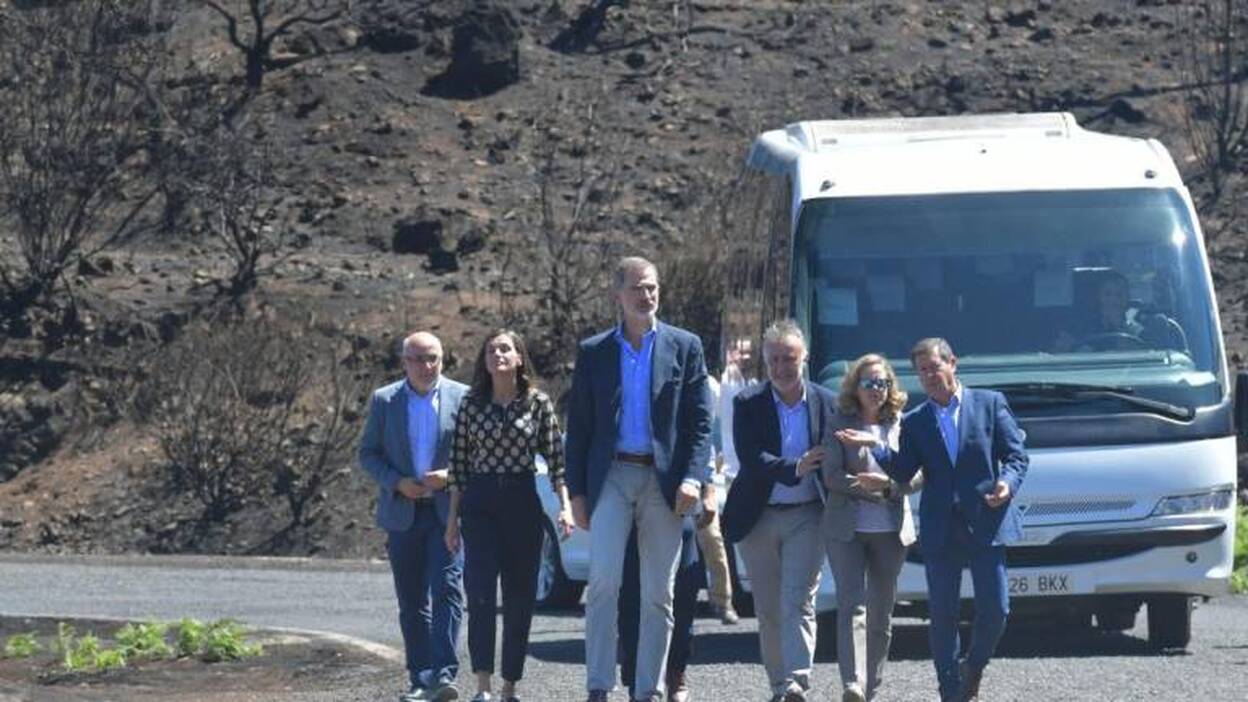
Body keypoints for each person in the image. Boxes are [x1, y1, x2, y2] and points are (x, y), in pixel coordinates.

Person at [836, 338, 1028, 702]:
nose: (928, 376)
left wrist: (1007, 483)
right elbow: (903, 470)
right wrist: (874, 446)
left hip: (985, 520)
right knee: (943, 613)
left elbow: (1017, 457)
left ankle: (974, 666)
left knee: (996, 609)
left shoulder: (989, 404)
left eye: (934, 368)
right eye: (922, 371)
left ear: (952, 363)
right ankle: (950, 689)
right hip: (942, 526)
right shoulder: (916, 421)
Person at [565, 256, 714, 702]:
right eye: (636, 288)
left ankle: (648, 689)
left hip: (663, 483)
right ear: (618, 295)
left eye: (652, 287)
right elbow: (580, 427)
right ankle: (598, 685)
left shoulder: (685, 346)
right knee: (603, 582)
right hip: (611, 476)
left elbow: (700, 424)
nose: (646, 296)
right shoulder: (594, 352)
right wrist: (576, 493)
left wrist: (693, 478)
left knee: (658, 593)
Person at [444, 329, 574, 702]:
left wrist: (564, 506)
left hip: (521, 501)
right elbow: (458, 466)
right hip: (480, 503)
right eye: (491, 350)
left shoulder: (538, 404)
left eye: (505, 349)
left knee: (519, 597)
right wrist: (452, 522)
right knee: (481, 593)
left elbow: (557, 461)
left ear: (519, 358)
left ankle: (509, 686)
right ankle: (483, 685)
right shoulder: (471, 404)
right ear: (484, 361)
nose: (498, 355)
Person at [722, 320, 833, 702]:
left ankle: (796, 681)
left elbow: (837, 455)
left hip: (808, 515)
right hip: (759, 515)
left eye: (789, 358)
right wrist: (794, 467)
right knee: (769, 608)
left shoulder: (826, 402)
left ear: (805, 358)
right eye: (774, 360)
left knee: (798, 599)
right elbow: (752, 458)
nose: (782, 367)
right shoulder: (747, 403)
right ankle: (778, 684)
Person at [358, 331, 467, 702]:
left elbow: (477, 455)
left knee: (448, 590)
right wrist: (397, 482)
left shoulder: (464, 398)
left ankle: (444, 674)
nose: (426, 366)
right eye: (418, 359)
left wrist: (450, 475)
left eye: (433, 357)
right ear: (404, 362)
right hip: (403, 514)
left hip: (447, 513)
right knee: (412, 601)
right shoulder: (385, 400)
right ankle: (420, 676)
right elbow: (368, 454)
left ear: (443, 359)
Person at [820, 354, 923, 702]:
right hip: (846, 529)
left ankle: (871, 686)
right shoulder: (838, 422)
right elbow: (832, 476)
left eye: (882, 383)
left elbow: (918, 475)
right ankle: (853, 683)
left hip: (891, 531)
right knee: (852, 605)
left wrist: (888, 487)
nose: (876, 389)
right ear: (855, 387)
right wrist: (869, 489)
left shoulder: (903, 424)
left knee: (881, 612)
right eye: (869, 383)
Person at [619, 514, 702, 702]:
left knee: (683, 592)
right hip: (632, 511)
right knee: (632, 598)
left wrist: (707, 497)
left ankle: (676, 672)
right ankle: (636, 682)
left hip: (677, 509)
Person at [697, 374, 738, 625]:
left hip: (703, 479)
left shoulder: (710, 387)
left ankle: (722, 600)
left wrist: (710, 487)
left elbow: (713, 440)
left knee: (713, 539)